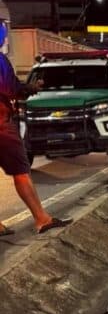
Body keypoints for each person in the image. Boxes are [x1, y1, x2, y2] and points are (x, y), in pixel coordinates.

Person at [0, 21, 71, 235]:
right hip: (1, 125)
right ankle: (41, 218)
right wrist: (31, 88)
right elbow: (10, 88)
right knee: (21, 171)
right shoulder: (0, 61)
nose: (4, 40)